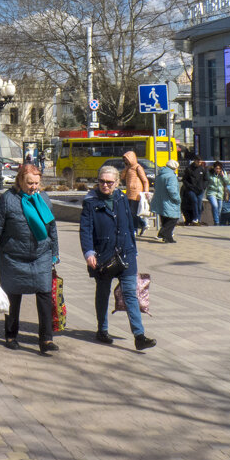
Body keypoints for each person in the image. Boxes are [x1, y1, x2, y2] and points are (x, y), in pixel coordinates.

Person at [0, 163, 60, 354]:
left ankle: (46, 340)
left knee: (45, 294)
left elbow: (52, 227)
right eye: (30, 183)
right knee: (13, 296)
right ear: (20, 180)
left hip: (41, 255)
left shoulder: (43, 198)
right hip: (13, 256)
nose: (34, 187)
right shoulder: (8, 199)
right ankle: (11, 335)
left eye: (37, 183)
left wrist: (55, 252)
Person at [81, 165, 157, 350]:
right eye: (102, 182)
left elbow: (129, 224)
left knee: (131, 294)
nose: (105, 185)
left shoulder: (122, 198)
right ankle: (102, 330)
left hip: (126, 253)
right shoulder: (90, 201)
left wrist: (134, 248)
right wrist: (89, 253)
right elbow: (85, 229)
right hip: (103, 255)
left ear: (117, 182)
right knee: (103, 293)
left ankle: (139, 336)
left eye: (109, 182)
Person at [150, 159, 181, 243]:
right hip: (169, 201)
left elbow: (156, 186)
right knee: (173, 219)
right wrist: (177, 199)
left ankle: (168, 237)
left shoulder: (160, 175)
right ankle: (162, 233)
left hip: (160, 200)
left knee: (165, 219)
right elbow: (172, 190)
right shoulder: (171, 176)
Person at [120, 150, 149, 236]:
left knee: (133, 212)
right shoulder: (128, 168)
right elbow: (122, 177)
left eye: (127, 159)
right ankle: (142, 224)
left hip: (137, 193)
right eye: (124, 160)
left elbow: (145, 180)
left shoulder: (138, 167)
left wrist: (146, 192)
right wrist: (126, 168)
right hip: (129, 192)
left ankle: (134, 229)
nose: (126, 161)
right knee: (130, 212)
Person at [181, 157, 208, 225]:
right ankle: (195, 218)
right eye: (198, 161)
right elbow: (184, 180)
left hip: (200, 190)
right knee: (194, 201)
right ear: (195, 161)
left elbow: (206, 179)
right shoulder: (189, 169)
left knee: (199, 203)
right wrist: (189, 186)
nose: (199, 163)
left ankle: (198, 218)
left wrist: (203, 187)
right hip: (191, 189)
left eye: (200, 161)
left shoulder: (202, 169)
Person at [205, 161, 230, 226]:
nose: (218, 170)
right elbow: (206, 180)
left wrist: (223, 176)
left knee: (219, 210)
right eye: (216, 168)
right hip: (211, 193)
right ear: (214, 168)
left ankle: (217, 222)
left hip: (220, 194)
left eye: (219, 168)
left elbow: (228, 182)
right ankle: (216, 222)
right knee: (215, 205)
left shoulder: (223, 173)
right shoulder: (210, 173)